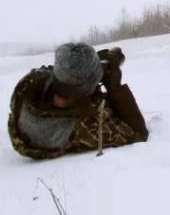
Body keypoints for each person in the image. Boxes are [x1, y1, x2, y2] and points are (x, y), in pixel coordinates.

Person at [8, 43, 149, 159]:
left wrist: (90, 64)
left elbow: (65, 75)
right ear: (86, 90)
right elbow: (138, 132)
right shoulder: (84, 127)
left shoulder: (26, 87)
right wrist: (114, 86)